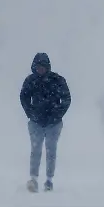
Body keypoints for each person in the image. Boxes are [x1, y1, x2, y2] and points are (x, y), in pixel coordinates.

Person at [20, 53, 71, 192]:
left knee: (51, 149)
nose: (40, 69)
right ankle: (33, 179)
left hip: (53, 123)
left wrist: (57, 114)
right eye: (38, 67)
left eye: (42, 67)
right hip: (36, 122)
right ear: (34, 67)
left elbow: (66, 98)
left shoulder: (57, 80)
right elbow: (24, 97)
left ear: (47, 66)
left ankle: (49, 180)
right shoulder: (30, 81)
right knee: (35, 150)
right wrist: (31, 113)